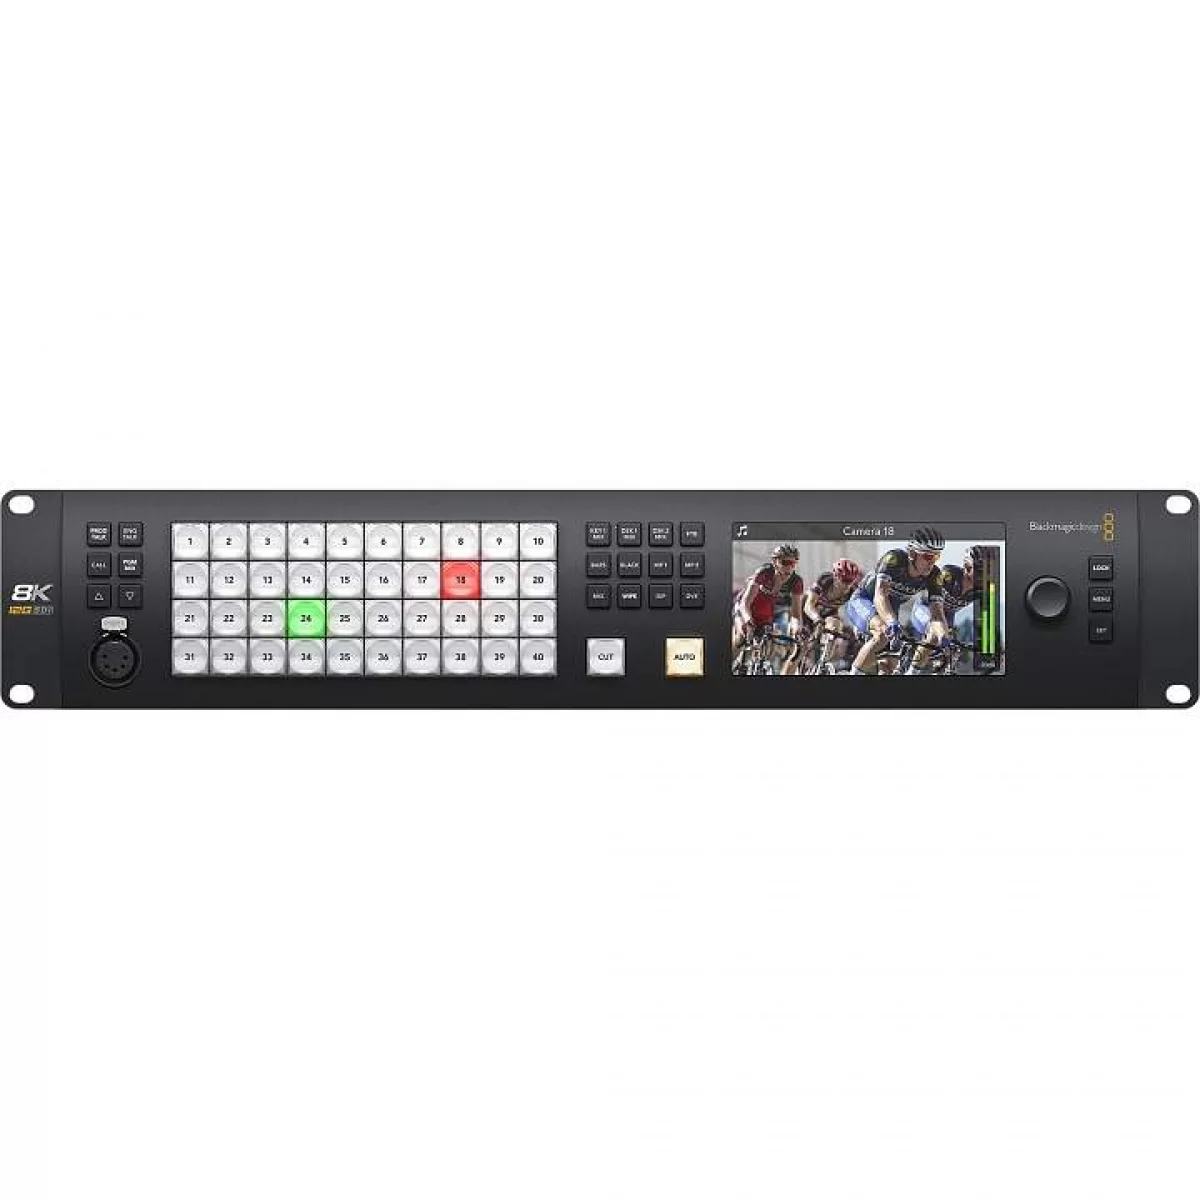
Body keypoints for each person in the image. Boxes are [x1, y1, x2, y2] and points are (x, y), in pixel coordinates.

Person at [845, 528, 947, 675]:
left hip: (890, 609)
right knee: (882, 634)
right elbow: (880, 596)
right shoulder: (894, 560)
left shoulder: (934, 575)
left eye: (936, 557)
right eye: (928, 557)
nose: (932, 563)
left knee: (888, 665)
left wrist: (943, 637)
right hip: (864, 600)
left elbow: (937, 614)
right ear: (912, 554)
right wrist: (892, 622)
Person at [732, 544, 806, 673]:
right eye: (785, 563)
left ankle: (757, 667)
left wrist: (796, 630)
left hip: (764, 611)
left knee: (768, 640)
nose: (789, 567)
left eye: (793, 564)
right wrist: (748, 621)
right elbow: (745, 603)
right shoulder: (764, 572)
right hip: (746, 606)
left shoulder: (796, 581)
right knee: (742, 636)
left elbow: (796, 615)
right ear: (775, 562)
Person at [802, 558, 862, 672]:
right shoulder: (825, 580)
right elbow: (808, 606)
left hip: (828, 614)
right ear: (835, 576)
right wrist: (817, 619)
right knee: (803, 648)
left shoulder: (852, 591)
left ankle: (823, 661)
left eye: (850, 581)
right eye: (844, 580)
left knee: (835, 626)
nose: (846, 585)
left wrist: (858, 628)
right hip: (808, 612)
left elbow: (857, 612)